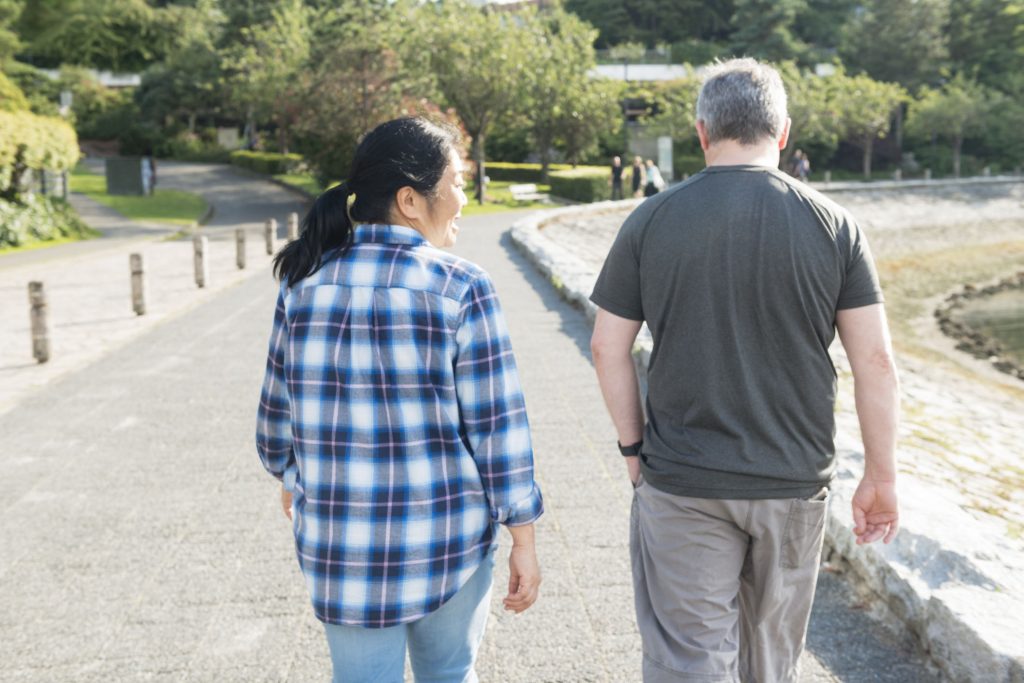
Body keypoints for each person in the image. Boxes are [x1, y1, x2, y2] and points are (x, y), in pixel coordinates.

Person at [589, 58, 899, 682]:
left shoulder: (650, 219)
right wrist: (881, 477)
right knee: (771, 662)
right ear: (782, 132)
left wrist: (633, 449)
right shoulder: (835, 225)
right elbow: (876, 363)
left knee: (690, 661)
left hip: (683, 479)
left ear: (703, 132)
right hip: (792, 481)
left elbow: (607, 347)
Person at [256, 117, 543, 683]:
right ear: (411, 200)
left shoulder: (302, 283)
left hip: (342, 550)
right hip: (447, 542)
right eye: (457, 183)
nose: (462, 199)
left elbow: (274, 423)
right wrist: (524, 540)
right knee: (451, 675)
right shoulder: (461, 286)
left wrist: (292, 474)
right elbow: (498, 431)